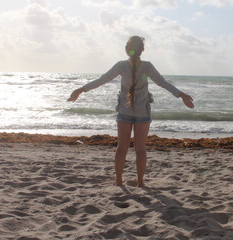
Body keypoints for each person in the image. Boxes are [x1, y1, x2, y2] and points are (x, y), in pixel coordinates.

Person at [67, 36, 194, 187]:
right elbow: (162, 83)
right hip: (143, 113)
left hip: (124, 112)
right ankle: (140, 182)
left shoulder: (121, 66)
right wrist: (181, 95)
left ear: (127, 50)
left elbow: (102, 80)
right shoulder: (147, 66)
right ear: (142, 50)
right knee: (140, 149)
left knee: (122, 148)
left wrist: (81, 90)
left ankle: (119, 181)